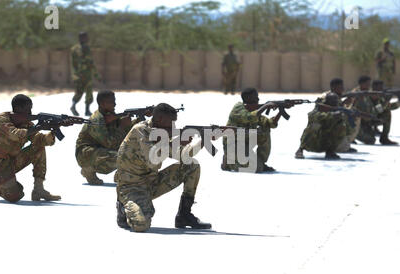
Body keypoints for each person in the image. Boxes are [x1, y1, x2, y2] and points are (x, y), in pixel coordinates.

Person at [116, 103, 214, 232]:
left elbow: (183, 155)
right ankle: (123, 208)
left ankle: (184, 215)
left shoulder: (163, 134)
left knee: (191, 165)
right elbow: (153, 160)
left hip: (151, 182)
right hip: (131, 187)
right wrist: (176, 141)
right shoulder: (141, 130)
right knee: (141, 225)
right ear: (160, 119)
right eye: (171, 122)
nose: (173, 126)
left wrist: (204, 139)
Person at [0, 94, 61, 202]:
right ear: (18, 108)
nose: (31, 112)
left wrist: (54, 129)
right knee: (16, 195)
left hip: (9, 163)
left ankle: (38, 190)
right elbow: (15, 134)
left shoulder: (26, 124)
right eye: (28, 109)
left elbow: (41, 140)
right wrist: (39, 127)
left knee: (38, 147)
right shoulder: (3, 119)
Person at [75, 90, 141, 185]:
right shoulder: (97, 120)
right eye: (111, 102)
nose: (114, 104)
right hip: (85, 154)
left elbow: (127, 131)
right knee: (123, 157)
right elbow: (109, 143)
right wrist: (122, 127)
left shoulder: (111, 115)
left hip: (99, 151)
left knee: (133, 151)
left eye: (114, 101)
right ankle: (88, 169)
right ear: (102, 103)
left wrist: (137, 120)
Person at [221, 88, 281, 173]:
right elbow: (249, 117)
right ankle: (228, 161)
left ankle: (261, 162)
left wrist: (280, 111)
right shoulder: (238, 109)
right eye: (256, 97)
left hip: (245, 145)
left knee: (265, 128)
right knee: (256, 168)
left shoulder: (254, 111)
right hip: (233, 147)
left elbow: (270, 123)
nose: (258, 99)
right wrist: (266, 106)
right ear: (248, 98)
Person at [295, 79, 348, 160]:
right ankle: (300, 149)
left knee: (341, 126)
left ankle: (330, 151)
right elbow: (314, 116)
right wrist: (333, 114)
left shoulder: (336, 108)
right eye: (332, 102)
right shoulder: (318, 109)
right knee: (314, 126)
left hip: (324, 141)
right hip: (312, 142)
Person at [356, 80, 400, 145]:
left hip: (369, 122)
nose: (382, 91)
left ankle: (384, 138)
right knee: (371, 140)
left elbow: (387, 107)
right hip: (360, 125)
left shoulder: (379, 97)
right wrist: (385, 101)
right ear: (374, 89)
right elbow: (370, 114)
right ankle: (351, 137)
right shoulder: (365, 97)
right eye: (380, 89)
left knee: (387, 113)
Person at [336, 75, 372, 152]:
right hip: (353, 120)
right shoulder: (354, 94)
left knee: (371, 140)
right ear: (361, 84)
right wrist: (354, 100)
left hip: (365, 121)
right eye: (367, 84)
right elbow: (347, 109)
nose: (369, 86)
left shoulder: (367, 93)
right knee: (354, 117)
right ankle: (348, 141)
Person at [70, 32, 101, 117]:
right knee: (79, 92)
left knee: (89, 93)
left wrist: (96, 75)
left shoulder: (87, 48)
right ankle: (73, 106)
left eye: (86, 37)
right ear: (80, 38)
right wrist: (74, 75)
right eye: (84, 37)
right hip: (80, 75)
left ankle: (87, 110)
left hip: (88, 75)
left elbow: (91, 62)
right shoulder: (75, 49)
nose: (86, 39)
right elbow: (73, 64)